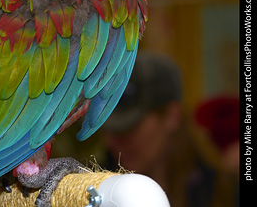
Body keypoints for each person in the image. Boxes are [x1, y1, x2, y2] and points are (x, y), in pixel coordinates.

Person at [101, 51, 238, 207]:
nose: (114, 142)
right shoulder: (96, 193)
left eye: (129, 127)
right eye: (110, 129)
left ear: (172, 117)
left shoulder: (224, 192)